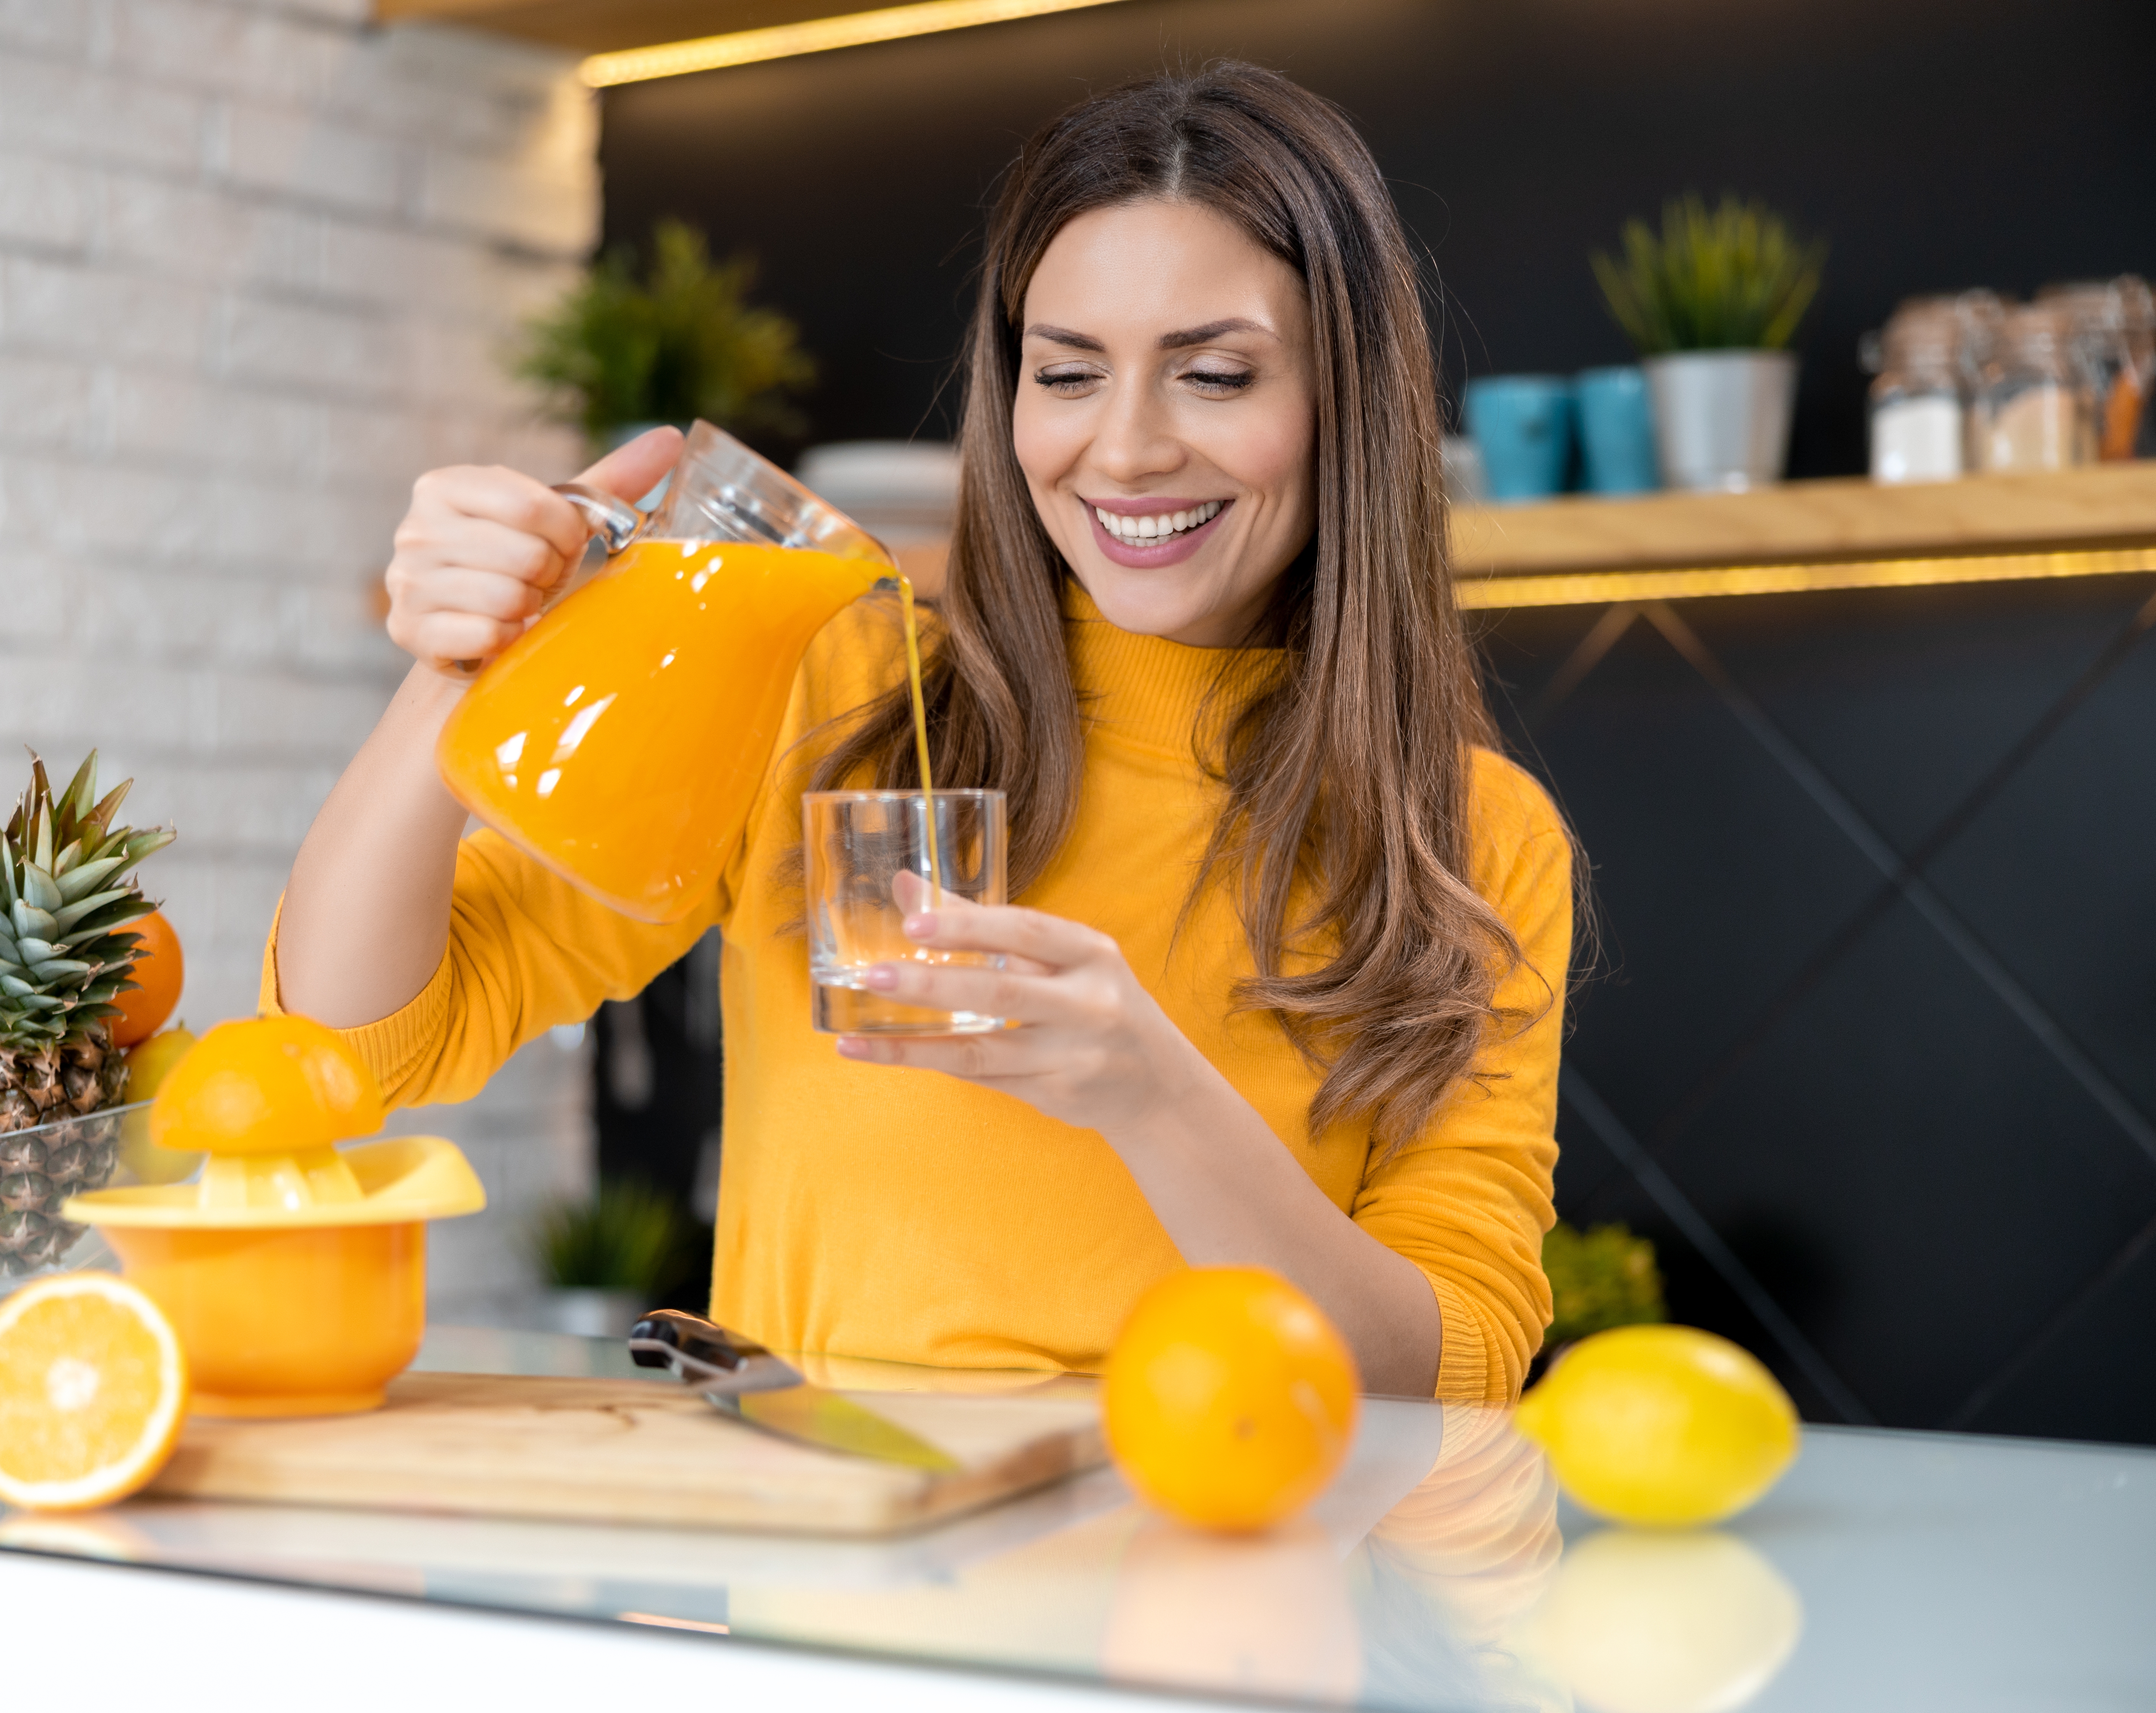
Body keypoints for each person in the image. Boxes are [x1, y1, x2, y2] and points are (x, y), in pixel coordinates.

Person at [271, 63, 1572, 1402]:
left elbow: (1451, 1367)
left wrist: (1150, 1095)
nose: (1122, 450)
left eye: (1217, 376)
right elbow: (360, 1039)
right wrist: (458, 666)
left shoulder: (1470, 839)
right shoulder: (827, 693)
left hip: (1225, 1584)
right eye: (1066, 374)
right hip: (828, 1579)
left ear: (1349, 403)